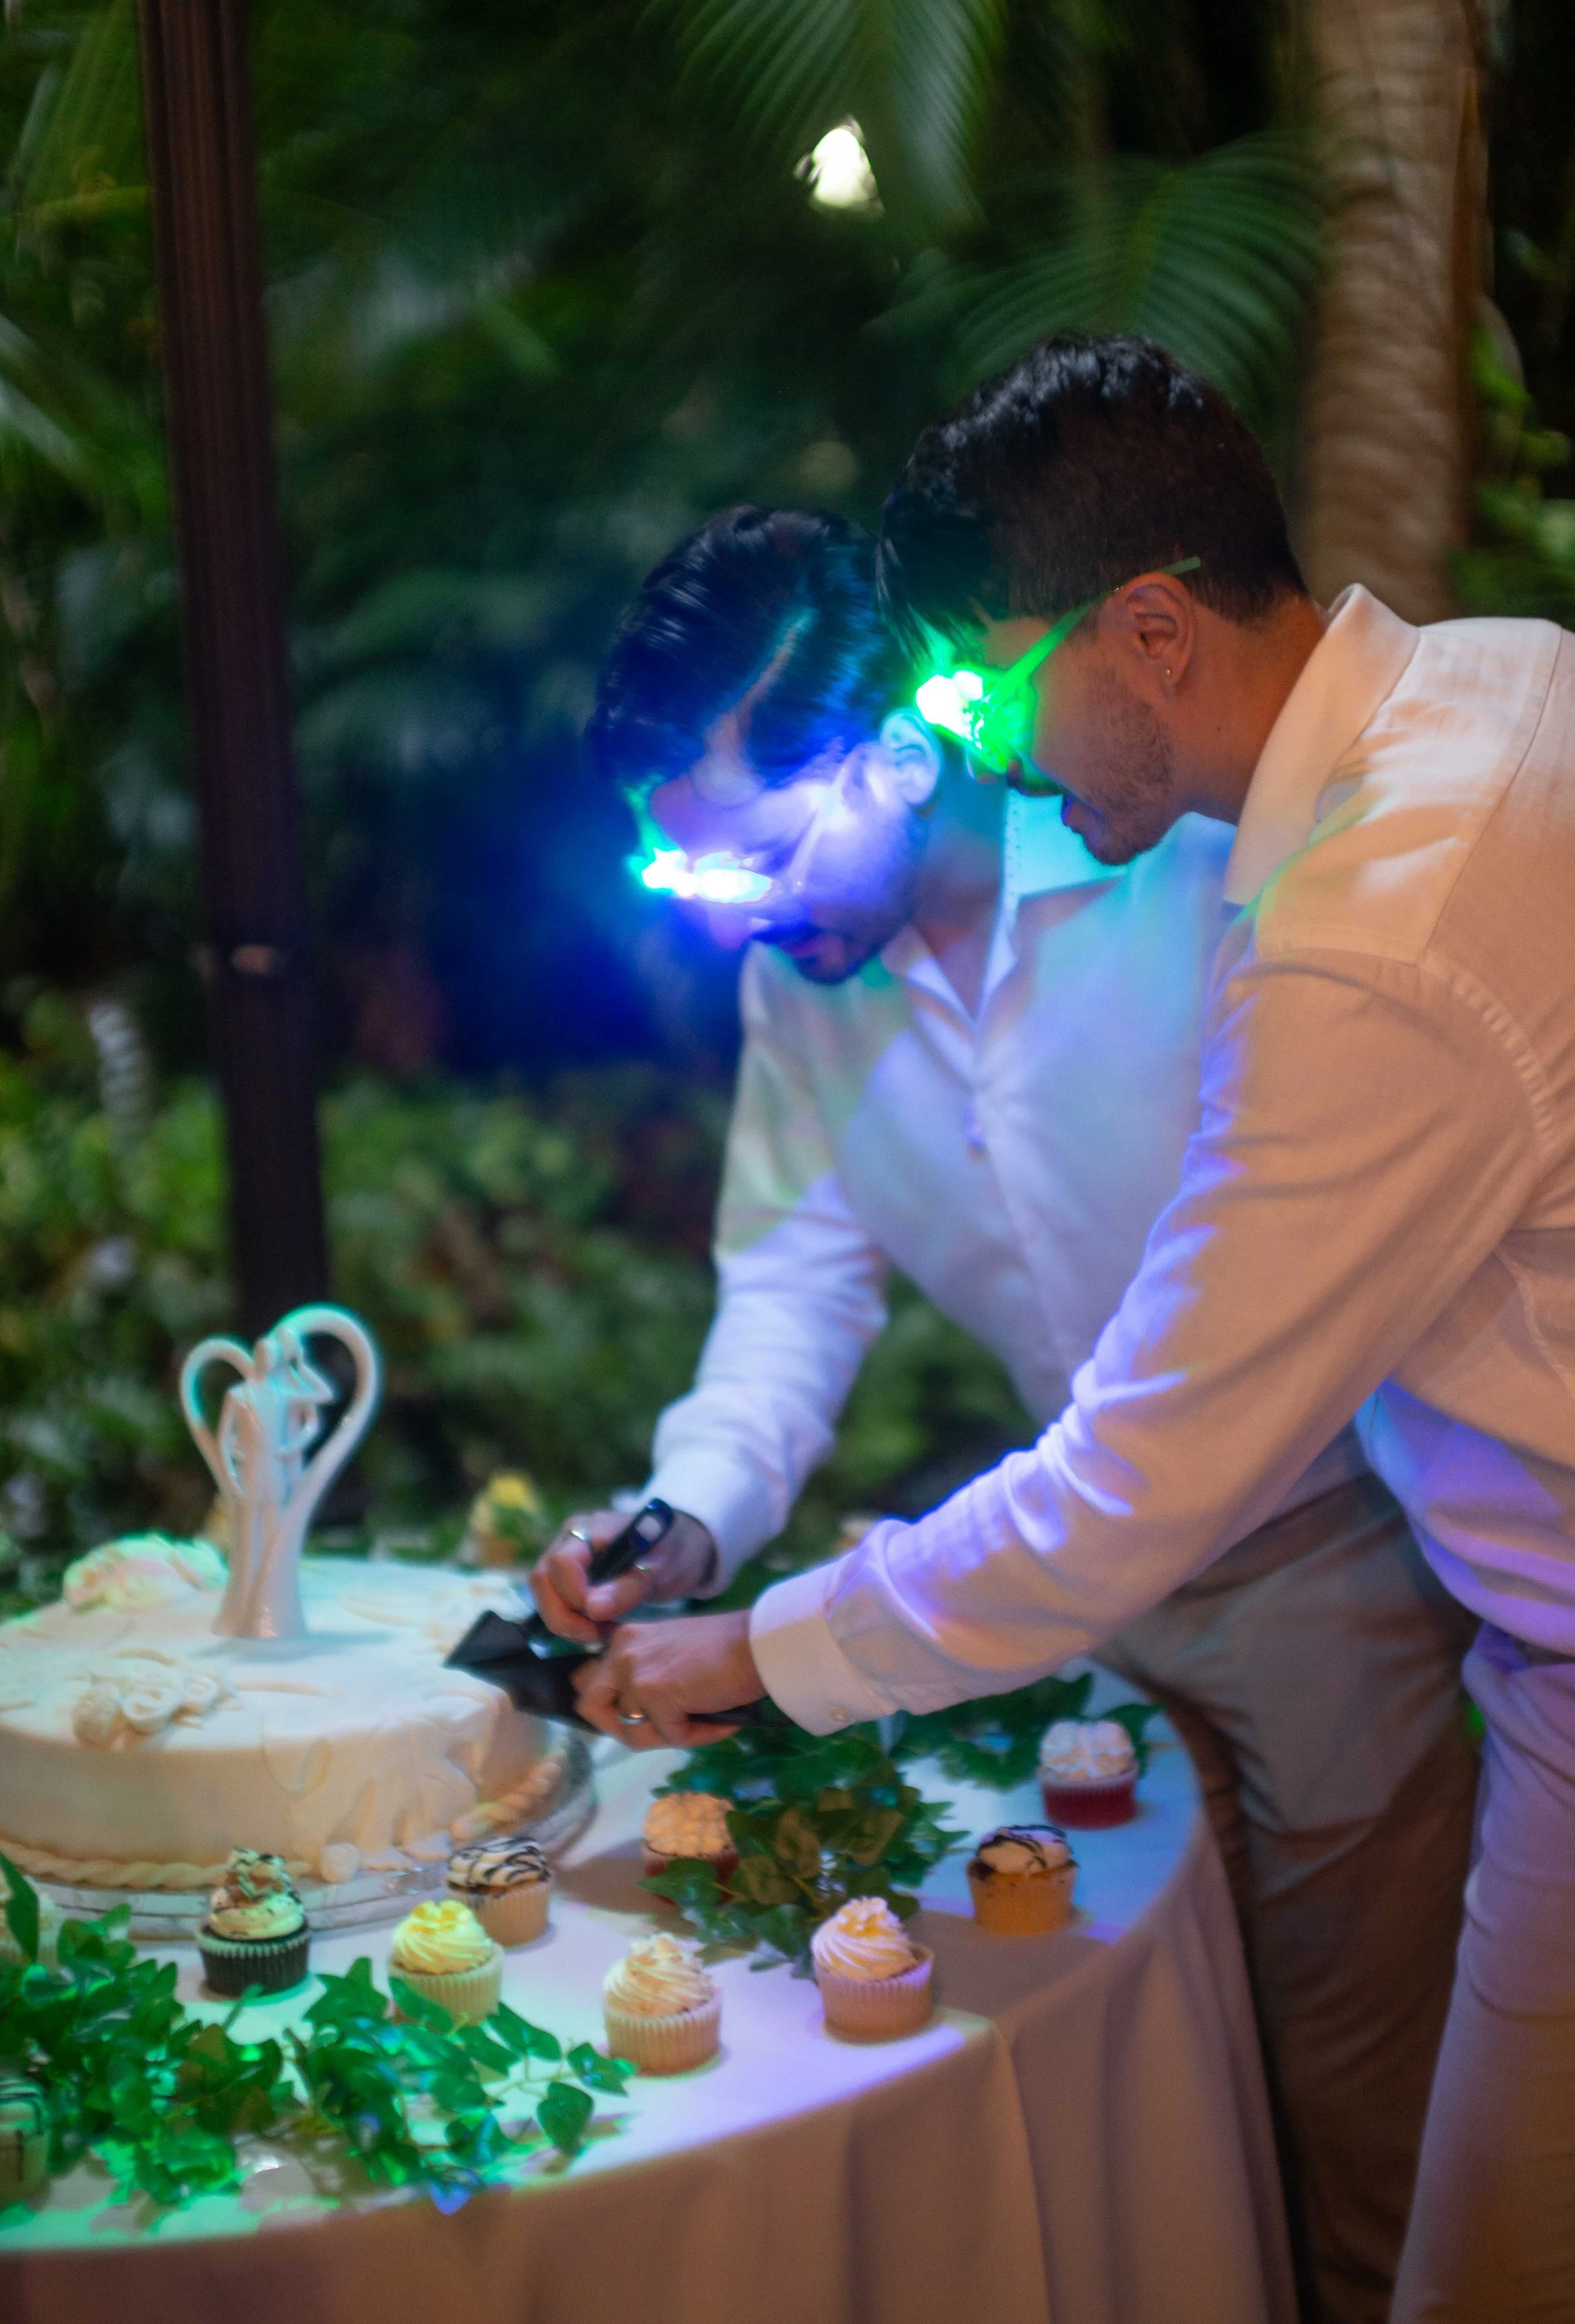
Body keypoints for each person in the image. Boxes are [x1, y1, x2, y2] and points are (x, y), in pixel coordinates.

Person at [572, 340, 1575, 2323]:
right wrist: (699, 1512)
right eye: (678, 867)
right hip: (1067, 1600)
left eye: (751, 850)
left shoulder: (1254, 866)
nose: (726, 912)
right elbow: (793, 1278)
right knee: (1155, 2093)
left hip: (1324, 1556)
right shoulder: (816, 980)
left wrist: (766, 1652)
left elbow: (1151, 1456)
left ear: (896, 751)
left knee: (1377, 2132)